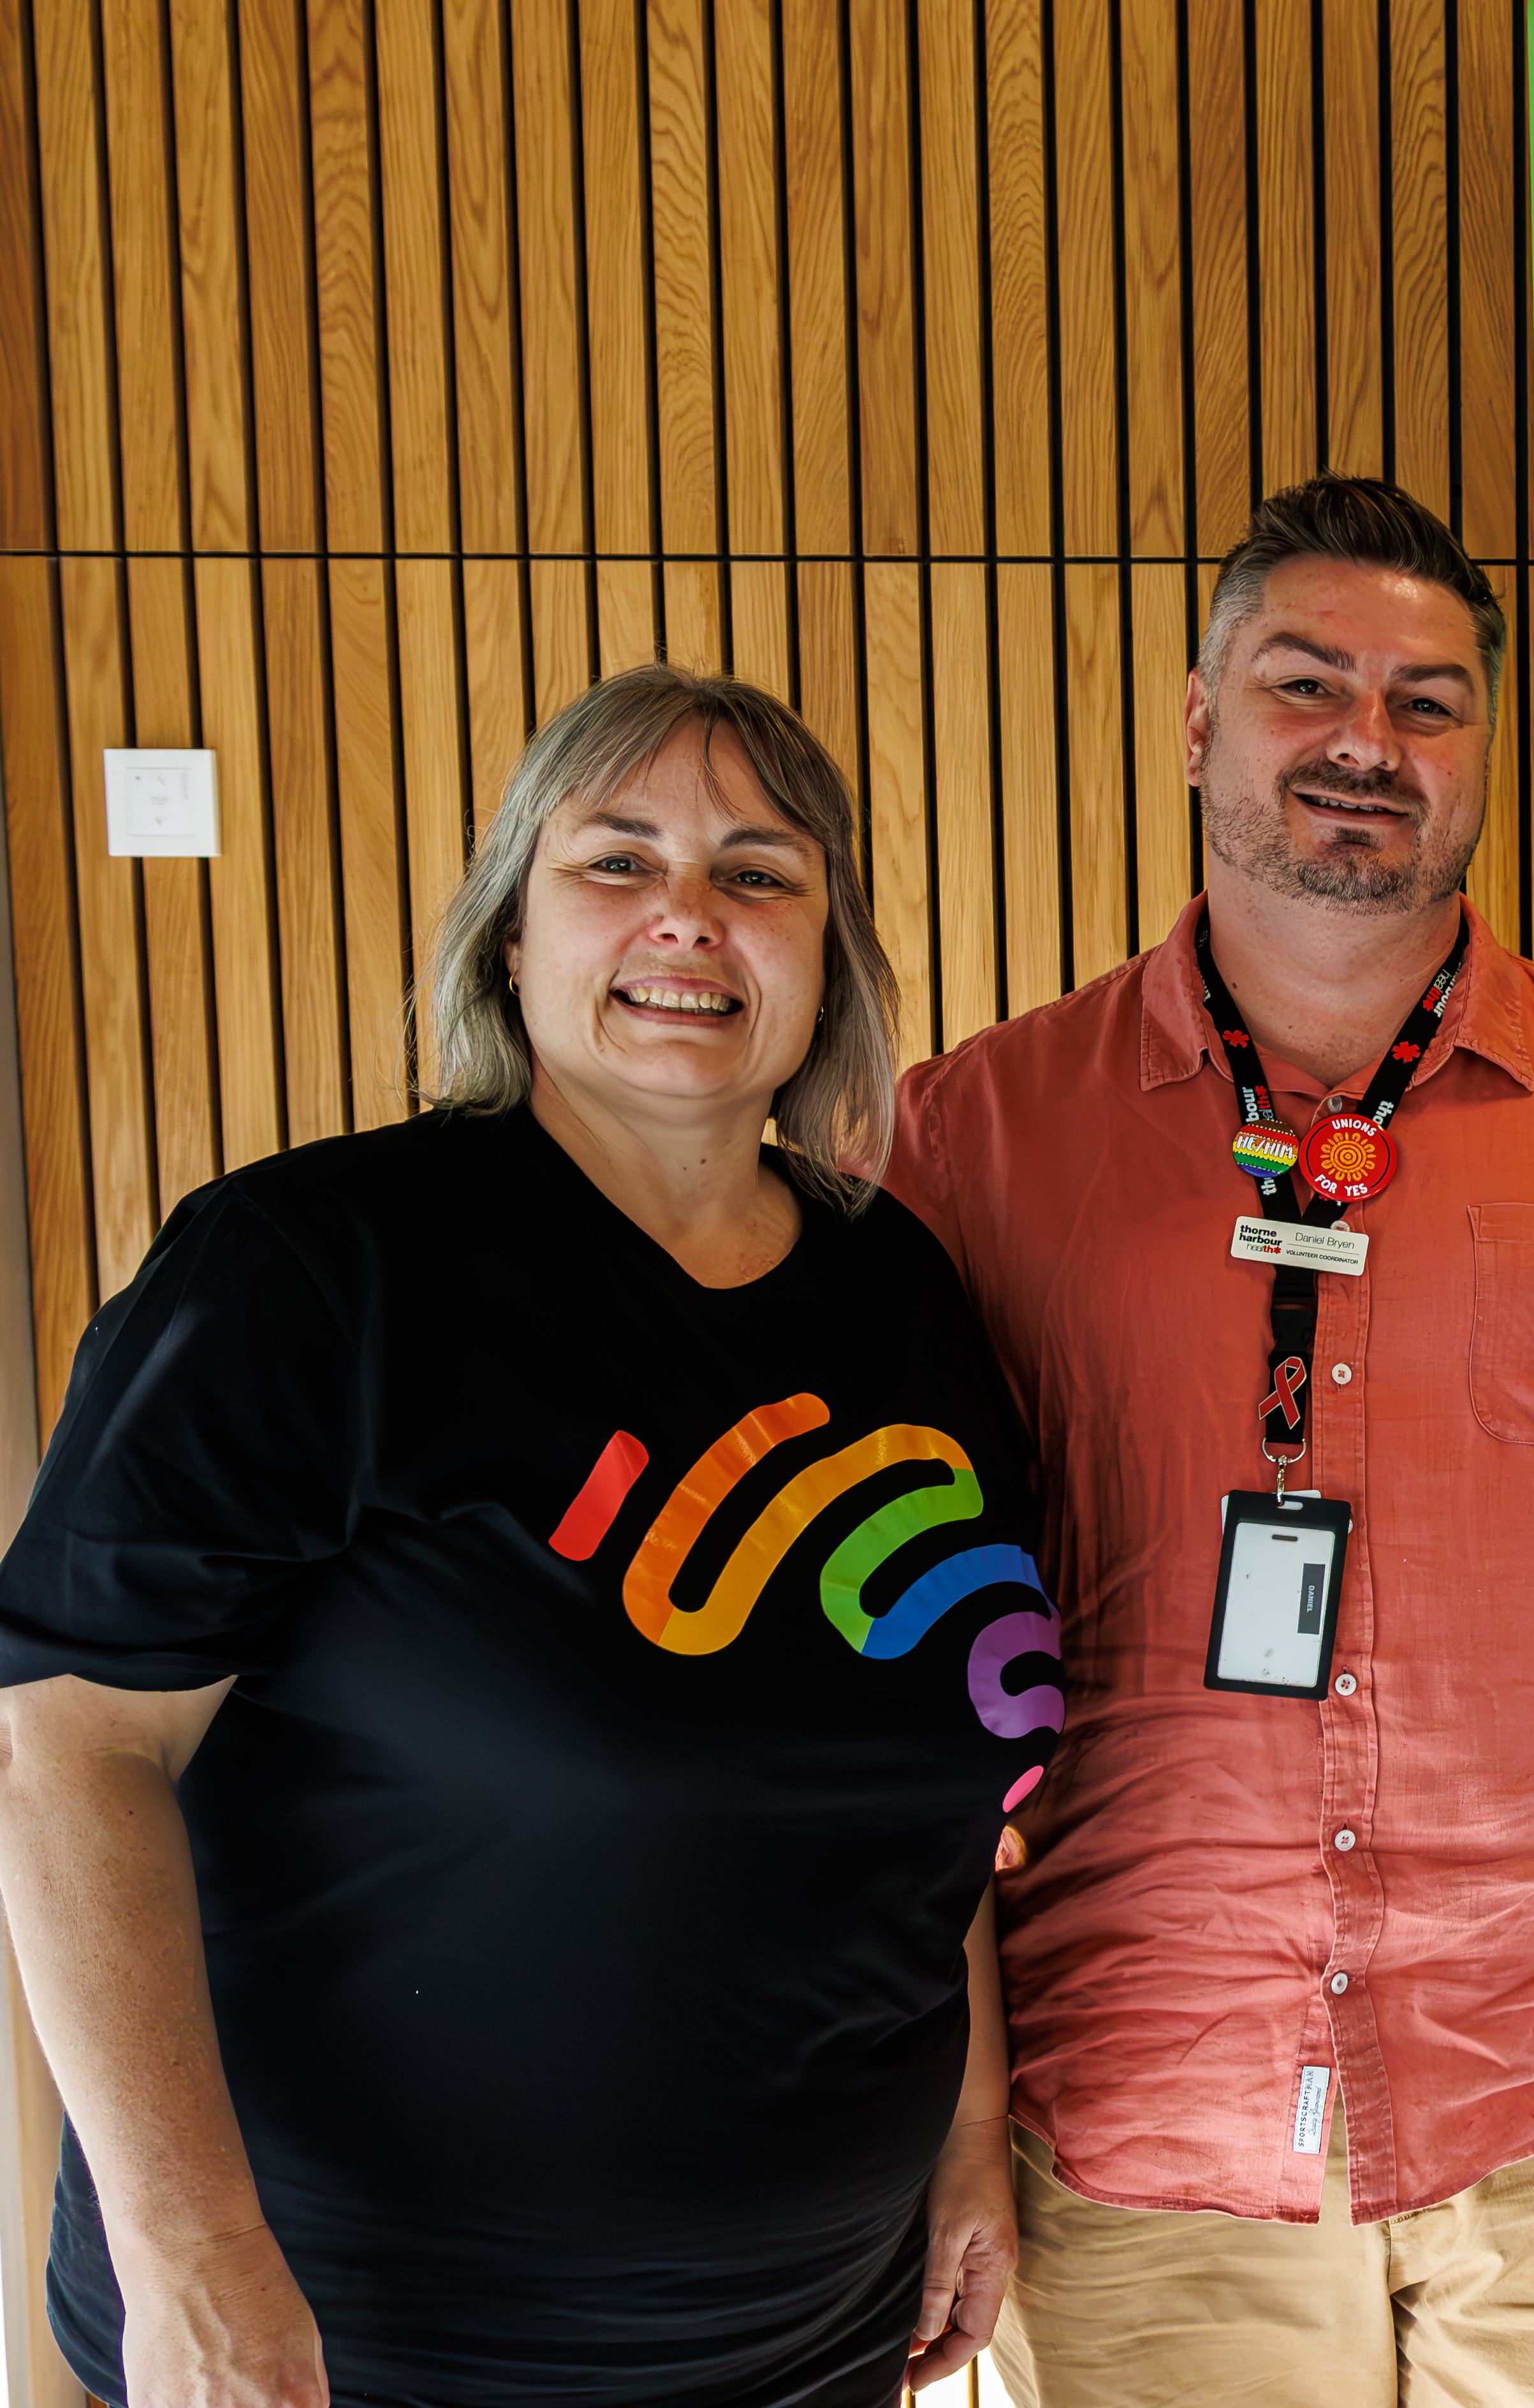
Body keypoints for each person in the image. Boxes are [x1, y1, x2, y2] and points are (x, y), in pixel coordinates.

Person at [880, 474, 1534, 2408]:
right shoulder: (976, 1136)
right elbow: (899, 1672)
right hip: (1139, 2139)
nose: (1362, 745)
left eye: (1426, 701)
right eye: (1305, 684)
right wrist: (956, 2099)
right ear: (1194, 721)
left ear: (1488, 743)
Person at [0, 664, 1058, 2406]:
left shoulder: (900, 1290)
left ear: (831, 960)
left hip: (814, 2339)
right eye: (618, 860)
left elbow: (924, 1764)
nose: (690, 918)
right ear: (510, 937)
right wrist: (188, 2251)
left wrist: (965, 2122)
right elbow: (73, 1748)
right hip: (355, 2347)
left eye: (761, 871)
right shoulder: (308, 1270)